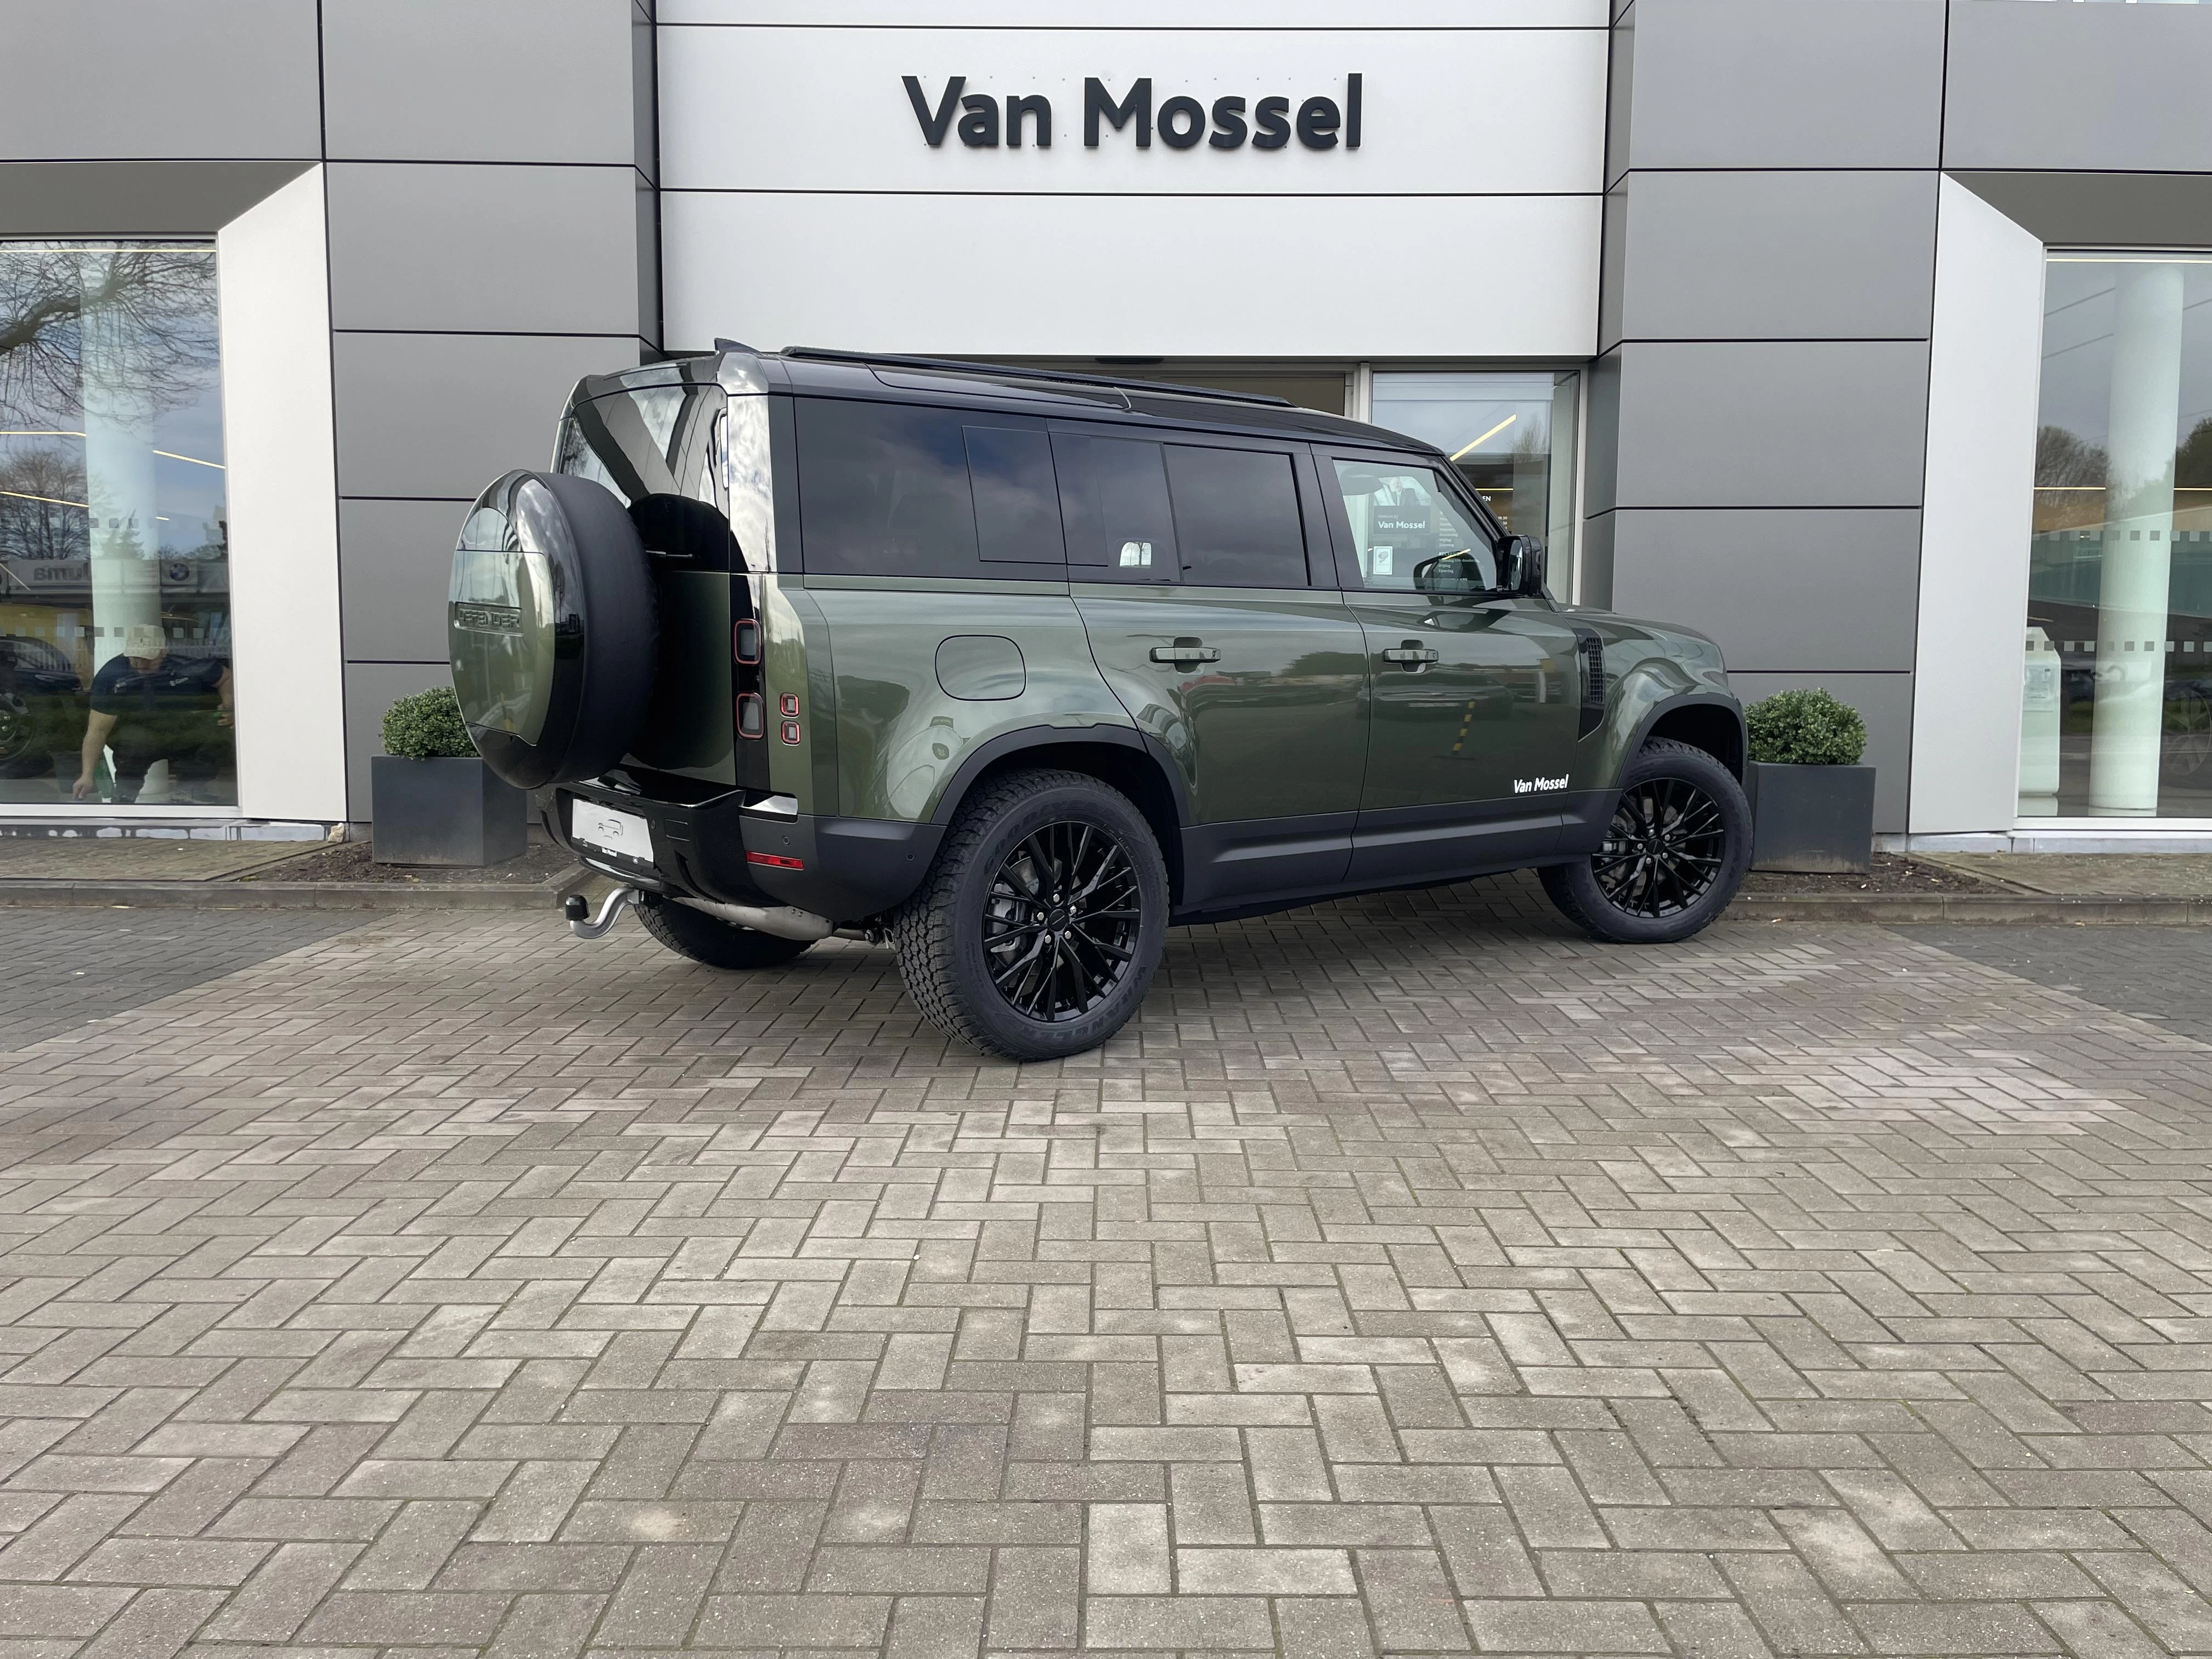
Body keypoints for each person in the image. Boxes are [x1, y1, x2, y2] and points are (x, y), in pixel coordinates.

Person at [74, 624, 234, 804]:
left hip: (180, 729)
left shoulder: (185, 665)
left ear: (164, 652)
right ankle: (125, 794)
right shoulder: (111, 676)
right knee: (133, 742)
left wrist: (229, 706)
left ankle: (189, 789)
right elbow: (97, 731)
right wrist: (87, 775)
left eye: (148, 658)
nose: (141, 664)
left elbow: (225, 677)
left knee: (219, 733)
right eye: (135, 658)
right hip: (138, 737)